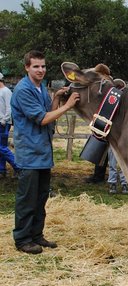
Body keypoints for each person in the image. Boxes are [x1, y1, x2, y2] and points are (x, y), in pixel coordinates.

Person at [11, 50, 80, 254]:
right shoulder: (23, 90)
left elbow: (49, 112)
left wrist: (57, 98)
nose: (41, 70)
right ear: (27, 68)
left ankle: (36, 235)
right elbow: (41, 119)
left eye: (43, 66)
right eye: (36, 66)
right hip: (29, 153)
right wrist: (67, 105)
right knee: (27, 200)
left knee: (40, 198)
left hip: (42, 153)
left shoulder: (40, 87)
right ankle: (22, 239)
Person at [0, 72, 19, 177]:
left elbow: (9, 107)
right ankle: (1, 169)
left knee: (1, 147)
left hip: (3, 123)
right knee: (1, 147)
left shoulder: (6, 91)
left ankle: (18, 167)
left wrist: (4, 120)